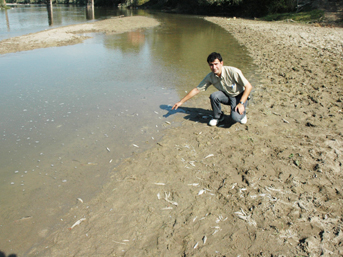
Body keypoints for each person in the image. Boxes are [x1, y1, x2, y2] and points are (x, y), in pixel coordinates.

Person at [172, 52, 252, 126]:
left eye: (216, 64)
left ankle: (243, 114)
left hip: (240, 96)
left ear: (221, 63)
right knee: (214, 96)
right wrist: (181, 102)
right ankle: (218, 117)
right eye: (211, 65)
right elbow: (197, 89)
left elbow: (248, 86)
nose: (214, 67)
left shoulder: (233, 71)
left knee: (235, 118)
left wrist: (241, 103)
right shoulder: (210, 77)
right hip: (228, 96)